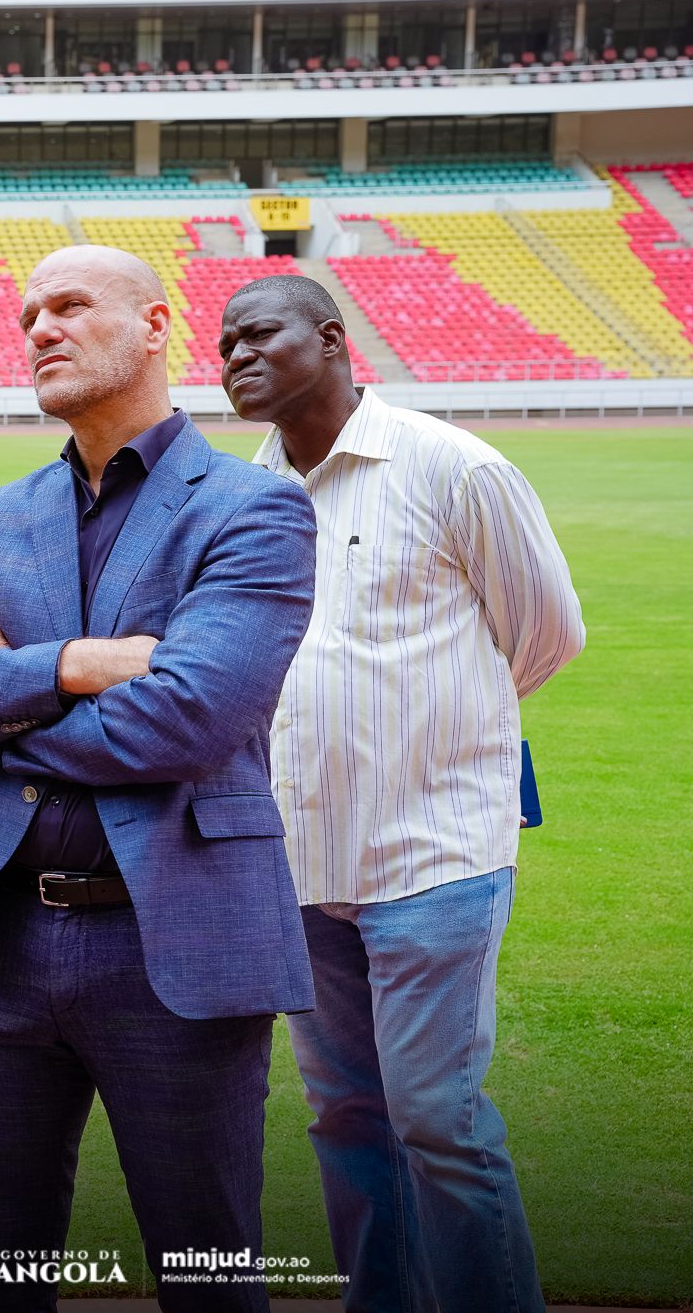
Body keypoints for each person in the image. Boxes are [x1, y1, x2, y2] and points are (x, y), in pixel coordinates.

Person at [0, 245, 318, 1311]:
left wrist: (2, 695)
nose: (39, 328)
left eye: (70, 305)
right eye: (28, 314)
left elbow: (184, 722)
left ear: (156, 325)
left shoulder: (252, 509)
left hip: (175, 940)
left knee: (208, 1269)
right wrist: (76, 665)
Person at [219, 276, 584, 1313]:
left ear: (331, 339)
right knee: (344, 1117)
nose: (235, 357)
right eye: (224, 344)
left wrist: (435, 734)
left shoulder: (452, 466)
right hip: (300, 859)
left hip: (434, 852)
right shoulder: (241, 496)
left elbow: (545, 633)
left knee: (436, 1120)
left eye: (258, 335)